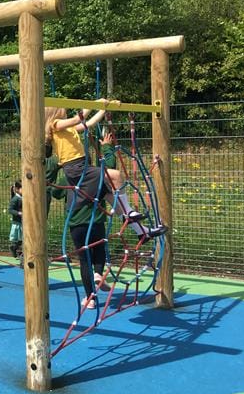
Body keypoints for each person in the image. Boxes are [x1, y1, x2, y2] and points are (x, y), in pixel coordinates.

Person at [44, 104, 166, 241]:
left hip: (80, 165)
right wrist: (93, 103)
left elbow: (89, 123)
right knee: (115, 175)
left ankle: (142, 232)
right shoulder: (55, 125)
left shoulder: (67, 129)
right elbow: (77, 119)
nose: (66, 112)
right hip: (75, 168)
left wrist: (102, 108)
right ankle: (129, 212)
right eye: (64, 110)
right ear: (56, 113)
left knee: (109, 195)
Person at [50, 131, 116, 310]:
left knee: (84, 259)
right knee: (99, 249)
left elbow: (55, 192)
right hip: (96, 221)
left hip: (77, 223)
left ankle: (90, 298)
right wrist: (107, 147)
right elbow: (110, 168)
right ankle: (98, 273)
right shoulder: (97, 176)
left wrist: (58, 167)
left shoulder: (67, 178)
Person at [8, 180, 23, 261]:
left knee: (22, 239)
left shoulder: (23, 197)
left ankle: (16, 249)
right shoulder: (15, 199)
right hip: (18, 222)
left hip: (24, 222)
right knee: (19, 239)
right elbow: (10, 210)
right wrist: (18, 213)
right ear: (17, 189)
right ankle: (13, 247)